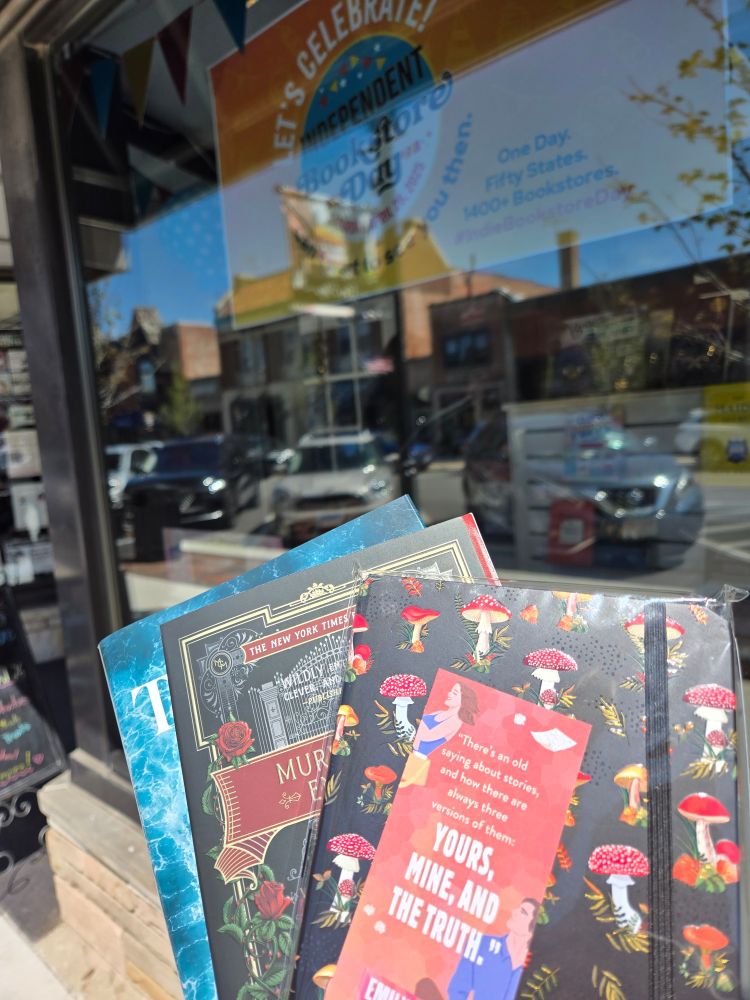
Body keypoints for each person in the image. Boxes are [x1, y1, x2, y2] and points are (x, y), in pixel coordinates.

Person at [447, 898, 540, 1000]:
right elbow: (457, 990)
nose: (514, 912)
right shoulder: (479, 944)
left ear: (533, 928)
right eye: (518, 909)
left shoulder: (536, 968)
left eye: (523, 912)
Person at [400, 681, 478, 788]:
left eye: (454, 693)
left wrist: (408, 716)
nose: (449, 694)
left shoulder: (455, 721)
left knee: (404, 790)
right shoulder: (440, 713)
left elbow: (425, 736)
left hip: (415, 762)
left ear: (464, 700)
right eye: (451, 691)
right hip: (408, 751)